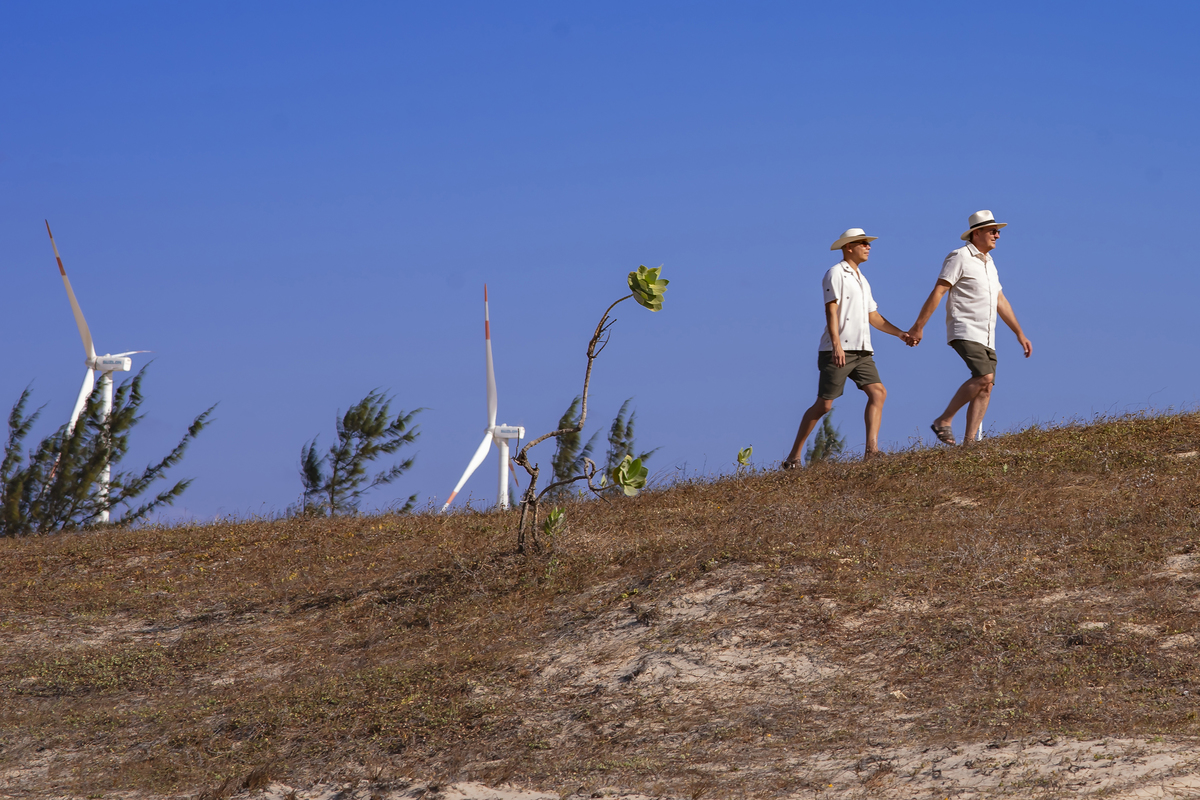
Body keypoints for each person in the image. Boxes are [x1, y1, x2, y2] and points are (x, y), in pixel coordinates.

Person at [783, 228, 914, 469]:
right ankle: (793, 456)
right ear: (848, 247)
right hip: (837, 350)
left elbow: (872, 316)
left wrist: (900, 334)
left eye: (868, 243)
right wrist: (836, 345)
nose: (868, 247)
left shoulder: (863, 279)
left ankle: (871, 451)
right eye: (862, 243)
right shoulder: (835, 273)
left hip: (863, 350)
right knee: (824, 405)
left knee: (879, 392)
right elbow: (830, 310)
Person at [907, 210, 1032, 444]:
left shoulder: (989, 263)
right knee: (985, 376)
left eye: (998, 231)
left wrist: (1019, 333)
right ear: (977, 233)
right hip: (964, 329)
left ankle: (970, 443)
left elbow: (1000, 301)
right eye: (993, 231)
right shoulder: (959, 256)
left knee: (986, 386)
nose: (997, 235)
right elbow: (939, 291)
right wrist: (918, 327)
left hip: (987, 335)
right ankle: (943, 420)